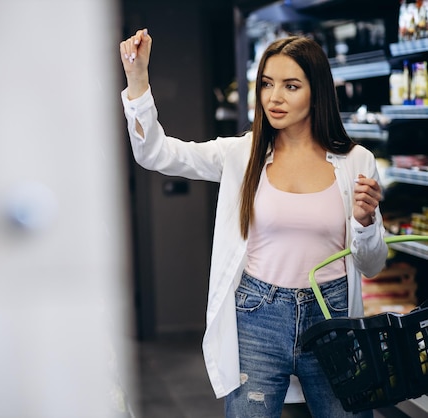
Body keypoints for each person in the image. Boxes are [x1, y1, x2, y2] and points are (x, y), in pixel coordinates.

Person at [119, 29, 388, 418]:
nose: (274, 97)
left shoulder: (355, 161)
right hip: (258, 316)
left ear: (317, 92)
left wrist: (364, 224)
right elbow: (156, 153)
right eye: (266, 84)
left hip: (332, 318)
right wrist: (138, 79)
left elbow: (372, 264)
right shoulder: (242, 154)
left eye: (291, 86)